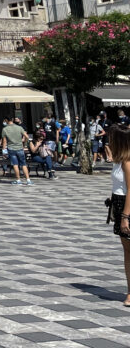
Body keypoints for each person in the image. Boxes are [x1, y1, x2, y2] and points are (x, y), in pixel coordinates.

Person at [106, 123, 130, 306]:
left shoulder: (127, 162)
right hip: (119, 203)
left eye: (111, 138)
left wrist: (125, 216)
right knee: (127, 252)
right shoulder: (118, 160)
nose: (109, 141)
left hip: (127, 207)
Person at [2, 115, 31, 186]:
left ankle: (18, 180)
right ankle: (28, 180)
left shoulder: (5, 129)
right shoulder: (19, 127)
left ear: (6, 120)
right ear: (12, 119)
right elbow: (27, 136)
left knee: (15, 164)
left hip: (11, 148)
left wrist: (4, 150)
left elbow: (4, 141)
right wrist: (24, 143)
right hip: (20, 147)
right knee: (23, 164)